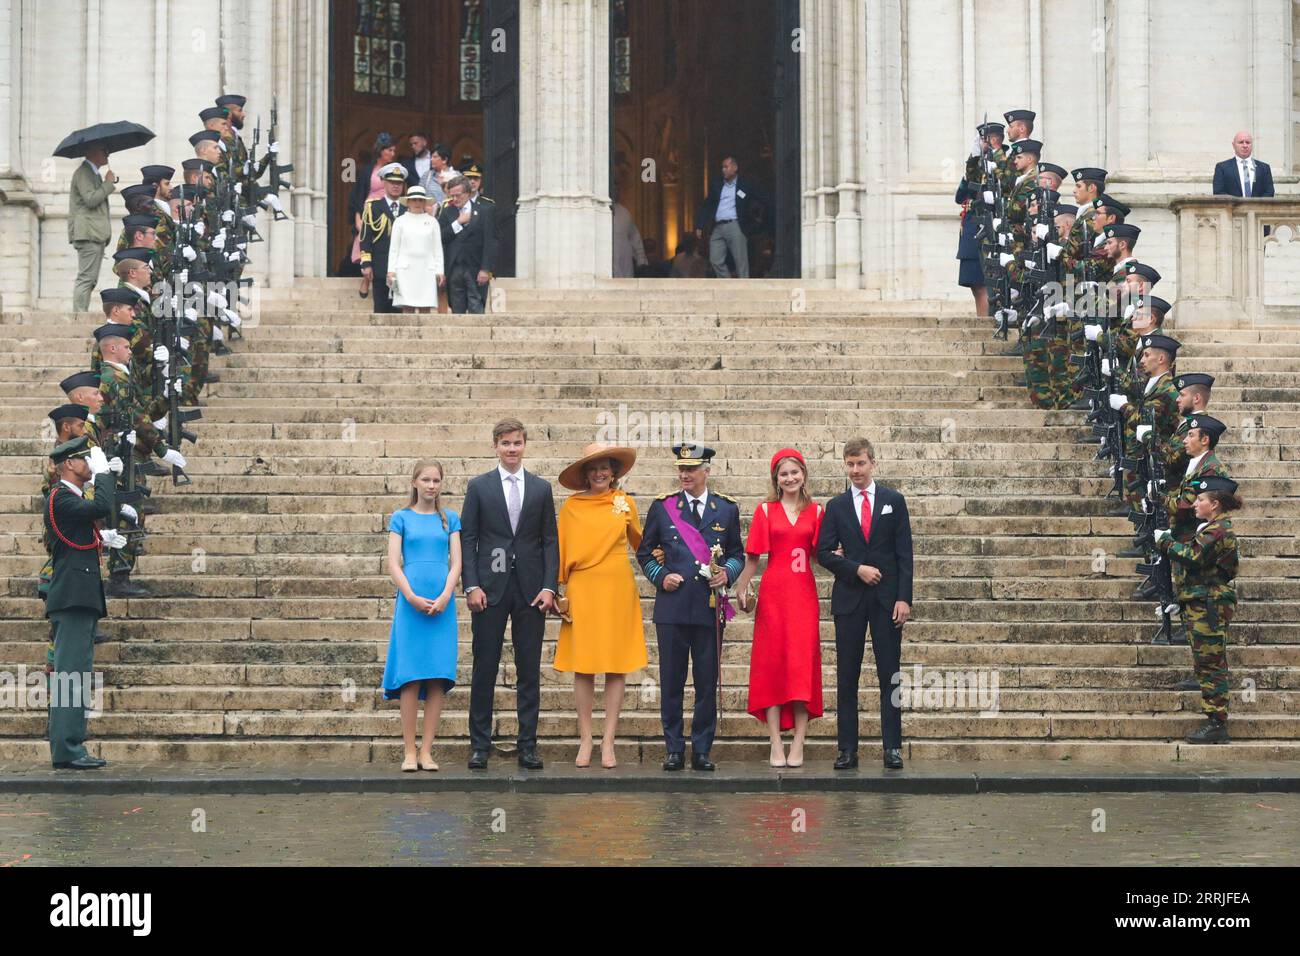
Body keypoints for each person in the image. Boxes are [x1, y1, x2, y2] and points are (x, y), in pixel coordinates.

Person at [635, 444, 743, 772]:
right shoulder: (664, 507)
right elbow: (644, 552)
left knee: (706, 681)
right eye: (681, 469)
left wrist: (728, 573)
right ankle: (673, 748)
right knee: (671, 679)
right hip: (673, 607)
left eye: (692, 469)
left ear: (706, 470)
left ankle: (702, 749)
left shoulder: (725, 509)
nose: (684, 475)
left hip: (710, 608)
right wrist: (661, 576)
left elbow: (738, 553)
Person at [460, 419, 558, 771]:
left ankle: (528, 745)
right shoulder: (479, 487)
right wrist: (471, 585)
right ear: (495, 446)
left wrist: (550, 586)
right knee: (484, 666)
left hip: (531, 591)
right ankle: (479, 745)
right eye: (505, 443)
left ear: (525, 444)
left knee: (529, 669)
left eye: (517, 443)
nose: (512, 449)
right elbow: (468, 538)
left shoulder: (540, 488)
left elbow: (550, 540)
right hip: (489, 589)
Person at [816, 437, 914, 770]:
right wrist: (856, 569)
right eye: (850, 464)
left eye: (860, 463)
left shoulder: (893, 501)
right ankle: (847, 749)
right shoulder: (836, 506)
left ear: (873, 463)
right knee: (847, 675)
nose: (855, 470)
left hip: (888, 601)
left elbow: (904, 554)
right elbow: (824, 552)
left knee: (890, 675)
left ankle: (892, 747)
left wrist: (904, 597)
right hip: (850, 600)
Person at [554, 443, 646, 769]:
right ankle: (585, 737)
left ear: (614, 471)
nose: (599, 473)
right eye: (592, 468)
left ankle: (608, 739)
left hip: (618, 587)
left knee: (615, 663)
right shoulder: (571, 507)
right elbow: (560, 551)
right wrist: (556, 590)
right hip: (583, 587)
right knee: (584, 664)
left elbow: (644, 546)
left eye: (605, 467)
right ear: (584, 474)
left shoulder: (624, 503)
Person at [734, 449, 824, 769]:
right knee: (772, 668)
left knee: (801, 669)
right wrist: (742, 587)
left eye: (794, 472)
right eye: (783, 474)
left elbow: (821, 555)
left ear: (804, 474)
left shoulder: (817, 511)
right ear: (776, 478)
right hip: (774, 596)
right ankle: (775, 741)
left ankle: (798, 742)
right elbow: (754, 557)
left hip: (803, 596)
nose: (790, 478)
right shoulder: (765, 510)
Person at [383, 460, 461, 772]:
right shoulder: (401, 517)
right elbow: (392, 563)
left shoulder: (450, 519)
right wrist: (411, 596)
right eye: (426, 479)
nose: (431, 485)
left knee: (437, 676)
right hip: (411, 603)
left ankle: (427, 750)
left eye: (436, 480)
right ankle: (409, 751)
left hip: (442, 605)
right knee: (411, 677)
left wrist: (445, 595)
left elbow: (456, 563)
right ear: (414, 482)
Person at [44, 436, 116, 769]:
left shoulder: (69, 498)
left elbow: (93, 518)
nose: (89, 464)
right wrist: (103, 476)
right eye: (85, 460)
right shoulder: (60, 497)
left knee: (76, 674)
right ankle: (68, 750)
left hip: (78, 598)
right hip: (72, 599)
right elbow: (101, 506)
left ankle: (69, 746)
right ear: (69, 464)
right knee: (71, 676)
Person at [1154, 476, 1241, 743]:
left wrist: (1166, 542)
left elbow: (1193, 556)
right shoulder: (1210, 528)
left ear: (1214, 504)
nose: (1195, 505)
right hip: (1201, 602)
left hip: (1209, 604)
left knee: (1211, 663)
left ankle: (1217, 723)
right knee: (1206, 663)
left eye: (1200, 500)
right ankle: (1215, 719)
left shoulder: (1218, 530)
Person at [698, 155, 770, 278]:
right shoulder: (717, 184)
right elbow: (707, 205)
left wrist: (758, 220)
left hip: (735, 225)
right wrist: (699, 225)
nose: (723, 170)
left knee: (740, 260)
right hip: (718, 227)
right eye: (722, 167)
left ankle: (744, 289)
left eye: (726, 166)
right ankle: (727, 284)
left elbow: (764, 198)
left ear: (735, 168)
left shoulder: (745, 184)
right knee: (715, 259)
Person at [68, 144, 118, 312]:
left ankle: (81, 312)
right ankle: (79, 316)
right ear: (92, 152)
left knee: (90, 279)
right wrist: (108, 183)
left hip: (94, 233)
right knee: (86, 278)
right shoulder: (84, 172)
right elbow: (90, 199)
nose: (107, 153)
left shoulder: (92, 173)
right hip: (88, 233)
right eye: (104, 150)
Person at [348, 133, 399, 296]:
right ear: (381, 151)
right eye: (389, 150)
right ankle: (366, 279)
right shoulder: (368, 170)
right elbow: (358, 195)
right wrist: (358, 217)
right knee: (368, 243)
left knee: (386, 245)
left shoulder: (396, 170)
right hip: (370, 211)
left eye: (394, 150)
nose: (392, 154)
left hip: (390, 210)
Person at [438, 175, 496, 315]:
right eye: (452, 196)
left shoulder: (483, 211)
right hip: (454, 268)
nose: (455, 199)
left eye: (458, 195)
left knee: (476, 306)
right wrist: (457, 223)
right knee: (457, 309)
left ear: (468, 194)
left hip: (476, 268)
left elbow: (490, 241)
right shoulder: (447, 212)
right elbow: (440, 237)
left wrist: (485, 269)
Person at [386, 186, 444, 313]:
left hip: (427, 270)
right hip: (405, 270)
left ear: (424, 202)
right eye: (414, 200)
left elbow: (437, 249)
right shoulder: (400, 221)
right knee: (407, 306)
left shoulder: (432, 221)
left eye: (420, 200)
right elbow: (394, 249)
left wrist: (439, 270)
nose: (417, 203)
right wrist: (391, 271)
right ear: (408, 202)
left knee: (425, 306)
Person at [359, 164, 408, 314]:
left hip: (404, 266)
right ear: (384, 183)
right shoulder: (372, 207)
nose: (395, 186)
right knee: (380, 308)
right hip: (380, 265)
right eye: (392, 182)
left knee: (401, 310)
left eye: (399, 183)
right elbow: (366, 237)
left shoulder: (409, 208)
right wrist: (366, 264)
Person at [1212, 132, 1275, 198]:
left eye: (1248, 142)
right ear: (1233, 145)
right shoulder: (1222, 168)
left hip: (1257, 208)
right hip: (1232, 207)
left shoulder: (1264, 168)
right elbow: (1218, 192)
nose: (1245, 146)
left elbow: (1269, 192)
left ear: (1252, 145)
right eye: (1241, 142)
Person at [611, 195, 647, 278]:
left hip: (624, 257)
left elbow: (634, 237)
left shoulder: (624, 212)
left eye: (617, 189)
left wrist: (641, 259)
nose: (616, 191)